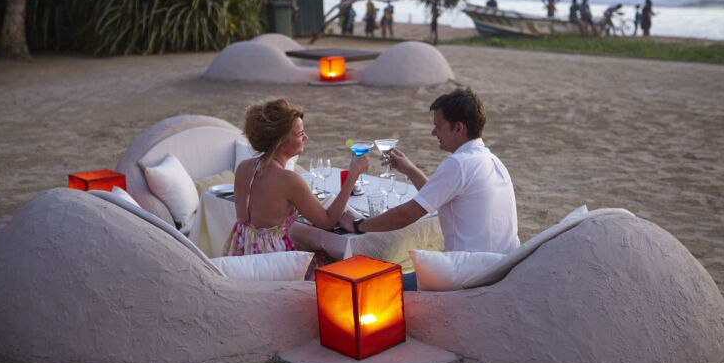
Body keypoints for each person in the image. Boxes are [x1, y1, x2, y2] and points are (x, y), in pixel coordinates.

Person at [339, 88, 521, 290]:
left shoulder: (459, 163)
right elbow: (437, 198)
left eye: (438, 126)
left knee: (371, 287)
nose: (433, 133)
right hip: (502, 268)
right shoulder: (491, 160)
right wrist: (410, 170)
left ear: (458, 128)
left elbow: (405, 215)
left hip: (471, 275)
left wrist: (359, 225)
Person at [223, 99, 369, 279]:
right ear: (281, 141)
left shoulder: (244, 167)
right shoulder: (289, 180)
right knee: (337, 267)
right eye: (300, 133)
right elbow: (328, 221)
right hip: (272, 267)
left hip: (242, 258)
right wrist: (353, 175)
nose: (305, 137)